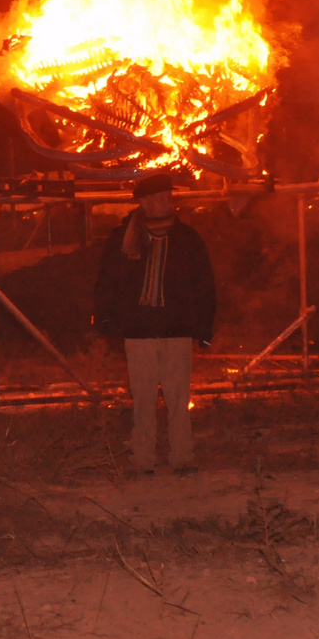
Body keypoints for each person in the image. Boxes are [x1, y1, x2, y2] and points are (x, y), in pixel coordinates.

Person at [93, 172, 215, 478]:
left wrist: (204, 327)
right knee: (143, 398)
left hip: (176, 328)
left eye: (168, 197)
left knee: (178, 398)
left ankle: (182, 457)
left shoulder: (187, 239)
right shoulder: (123, 238)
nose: (166, 203)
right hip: (139, 330)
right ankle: (142, 459)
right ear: (144, 203)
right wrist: (107, 318)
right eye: (159, 198)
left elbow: (204, 284)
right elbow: (108, 280)